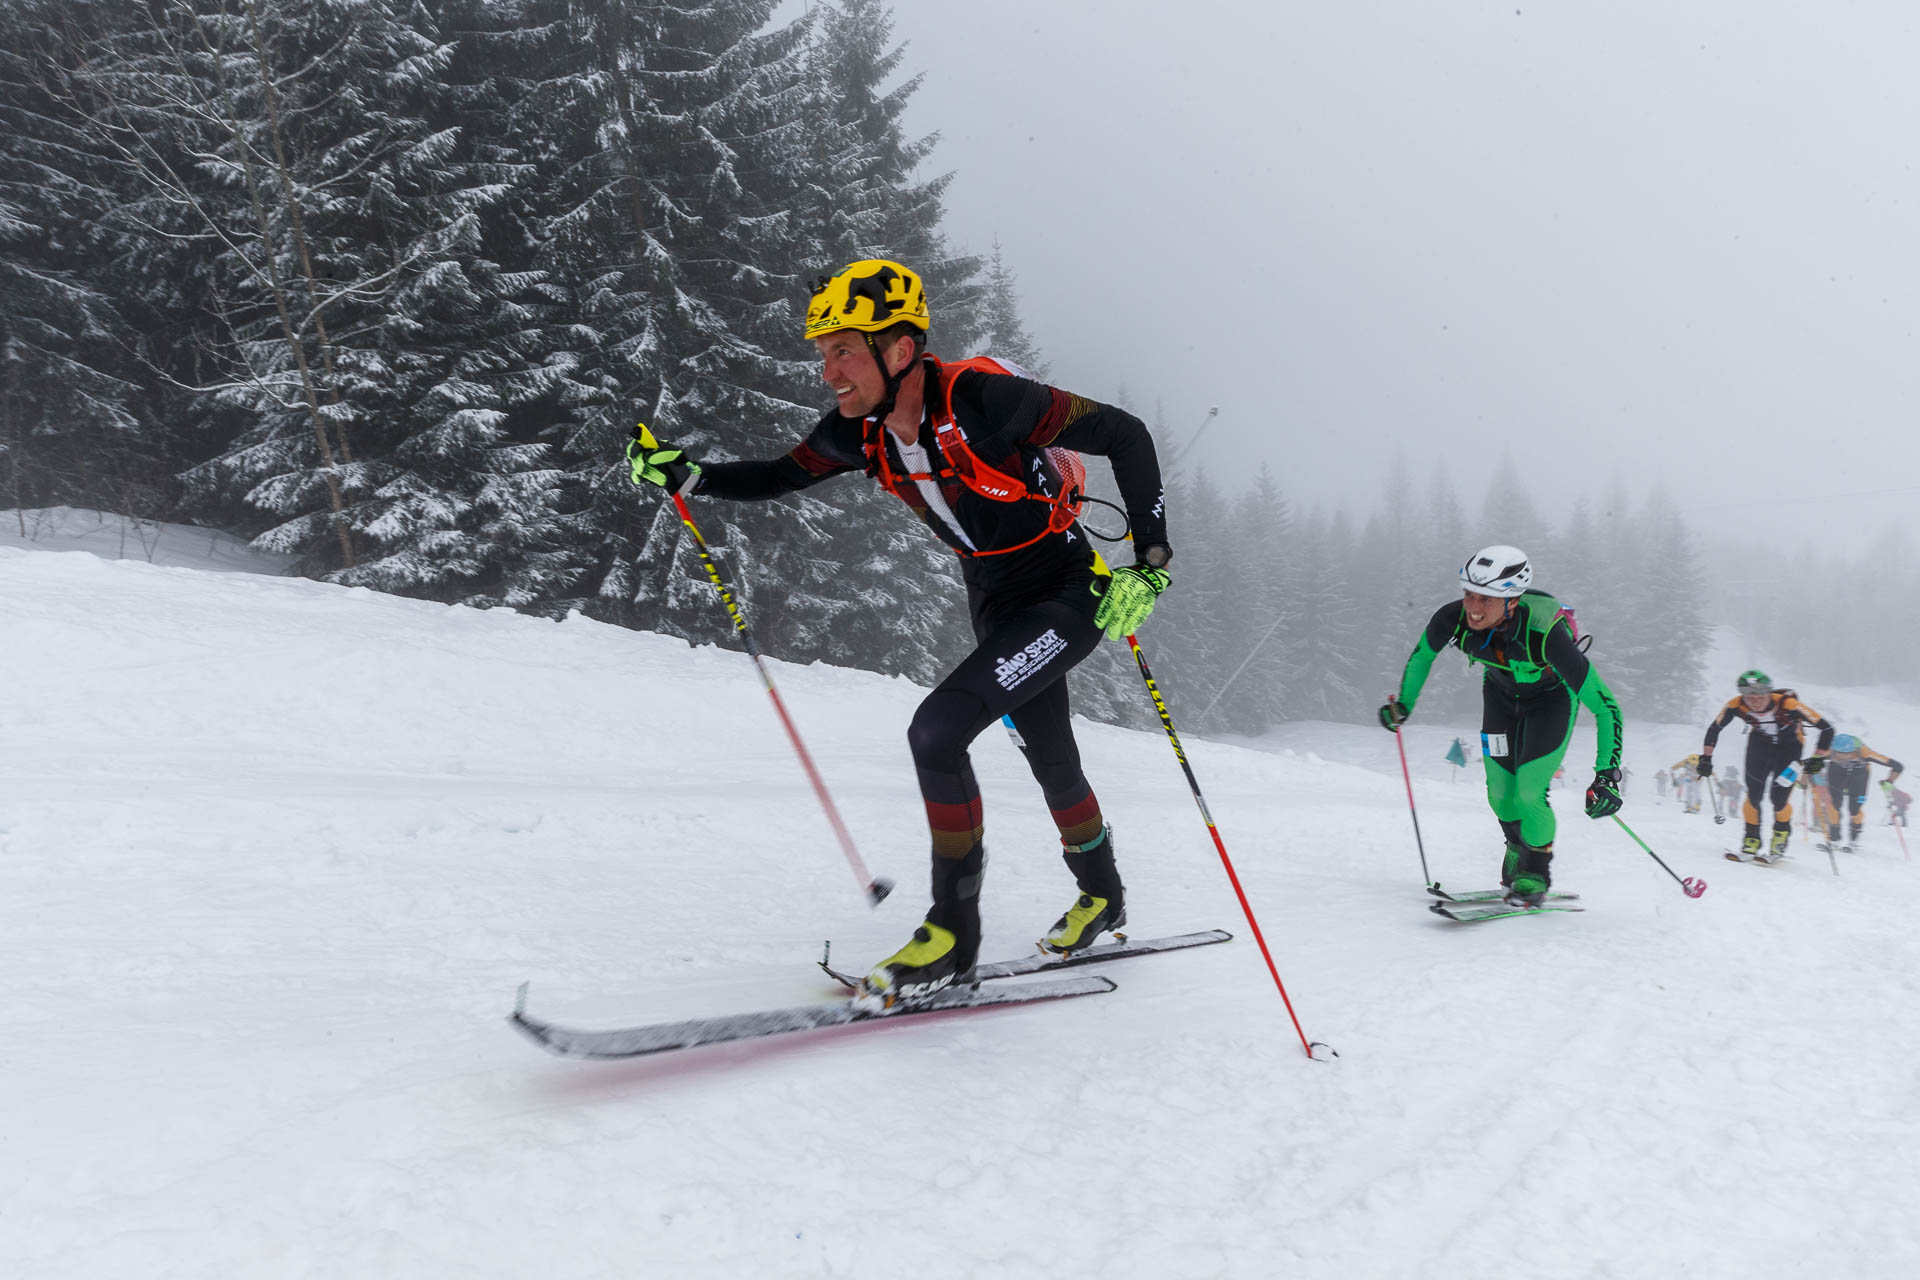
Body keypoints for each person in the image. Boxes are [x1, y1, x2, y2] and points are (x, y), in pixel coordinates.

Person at [624, 259, 1172, 1009]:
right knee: (1052, 758)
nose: (829, 371)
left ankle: (952, 933)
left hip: (1068, 593)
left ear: (901, 349)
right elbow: (779, 476)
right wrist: (688, 477)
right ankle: (1103, 895)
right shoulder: (856, 433)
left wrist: (1150, 558)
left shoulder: (989, 401)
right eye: (822, 353)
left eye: (843, 350)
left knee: (937, 731)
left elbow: (1125, 434)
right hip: (994, 598)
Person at [1378, 545, 1624, 906]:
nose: (1474, 608)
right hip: (1500, 700)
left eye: (1487, 599)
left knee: (1528, 793)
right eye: (1469, 595)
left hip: (1551, 704)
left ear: (1512, 600)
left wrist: (1607, 775)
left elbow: (1607, 707)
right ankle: (1516, 848)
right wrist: (1403, 706)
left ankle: (1535, 872)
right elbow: (1422, 657)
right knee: (1499, 794)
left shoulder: (1545, 632)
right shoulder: (1452, 618)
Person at [1697, 670, 1834, 861]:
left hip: (1790, 750)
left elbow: (1827, 729)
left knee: (1778, 798)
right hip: (1760, 747)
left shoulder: (1789, 705)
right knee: (1753, 795)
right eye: (1750, 697)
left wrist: (1818, 758)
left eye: (1760, 696)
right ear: (1743, 696)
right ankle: (1751, 842)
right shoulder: (1735, 705)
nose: (1755, 701)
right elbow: (1714, 729)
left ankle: (1779, 840)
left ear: (1769, 693)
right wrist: (1706, 758)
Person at [1819, 734, 1904, 851]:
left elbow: (1898, 766)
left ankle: (1853, 841)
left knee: (1854, 810)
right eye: (1839, 755)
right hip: (1837, 773)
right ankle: (1834, 840)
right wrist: (1808, 773)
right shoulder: (1830, 752)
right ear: (1834, 751)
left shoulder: (1865, 753)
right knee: (1833, 807)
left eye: (1846, 755)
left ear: (1853, 751)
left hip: (1859, 776)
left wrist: (1889, 781)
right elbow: (1810, 762)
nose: (1843, 758)